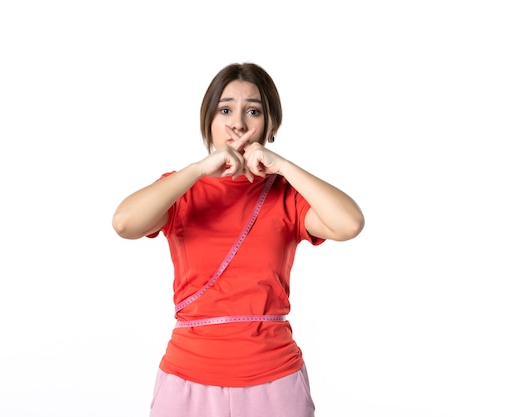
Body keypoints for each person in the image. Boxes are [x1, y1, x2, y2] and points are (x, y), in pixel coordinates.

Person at [112, 62, 364, 417]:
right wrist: (199, 169)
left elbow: (350, 223)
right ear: (208, 121)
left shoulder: (286, 195)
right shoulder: (182, 189)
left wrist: (283, 166)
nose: (238, 123)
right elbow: (124, 223)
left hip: (274, 380)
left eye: (254, 111)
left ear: (271, 124)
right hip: (187, 378)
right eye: (225, 109)